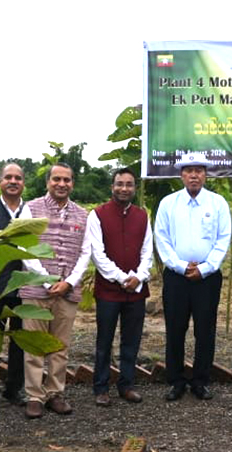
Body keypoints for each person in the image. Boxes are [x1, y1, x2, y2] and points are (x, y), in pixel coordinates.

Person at [153, 152, 232, 401]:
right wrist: (180, 266)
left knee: (205, 330)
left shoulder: (218, 203)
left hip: (207, 278)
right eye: (189, 171)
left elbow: (223, 239)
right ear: (181, 175)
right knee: (175, 329)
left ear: (205, 174)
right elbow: (162, 239)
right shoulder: (168, 203)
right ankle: (176, 381)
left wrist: (205, 268)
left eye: (199, 170)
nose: (194, 175)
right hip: (177, 277)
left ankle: (200, 381)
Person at [19, 163, 91, 419]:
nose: (62, 184)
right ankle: (34, 396)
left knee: (61, 346)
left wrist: (68, 282)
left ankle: (55, 393)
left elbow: (86, 253)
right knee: (35, 346)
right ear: (48, 182)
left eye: (67, 180)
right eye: (57, 179)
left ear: (73, 183)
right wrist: (49, 282)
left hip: (68, 292)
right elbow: (25, 248)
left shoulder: (84, 215)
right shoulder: (31, 208)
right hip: (36, 290)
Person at [84, 168, 152, 407]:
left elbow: (147, 251)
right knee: (104, 340)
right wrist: (122, 278)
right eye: (120, 184)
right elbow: (97, 254)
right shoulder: (97, 215)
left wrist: (139, 277)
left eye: (129, 184)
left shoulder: (142, 216)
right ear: (112, 186)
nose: (124, 188)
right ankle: (101, 387)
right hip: (109, 290)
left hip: (136, 290)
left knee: (131, 340)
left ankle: (127, 384)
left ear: (135, 188)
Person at [0, 163, 31, 409]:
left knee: (19, 340)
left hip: (25, 287)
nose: (13, 181)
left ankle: (14, 388)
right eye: (8, 177)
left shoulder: (30, 212)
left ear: (24, 183)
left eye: (18, 178)